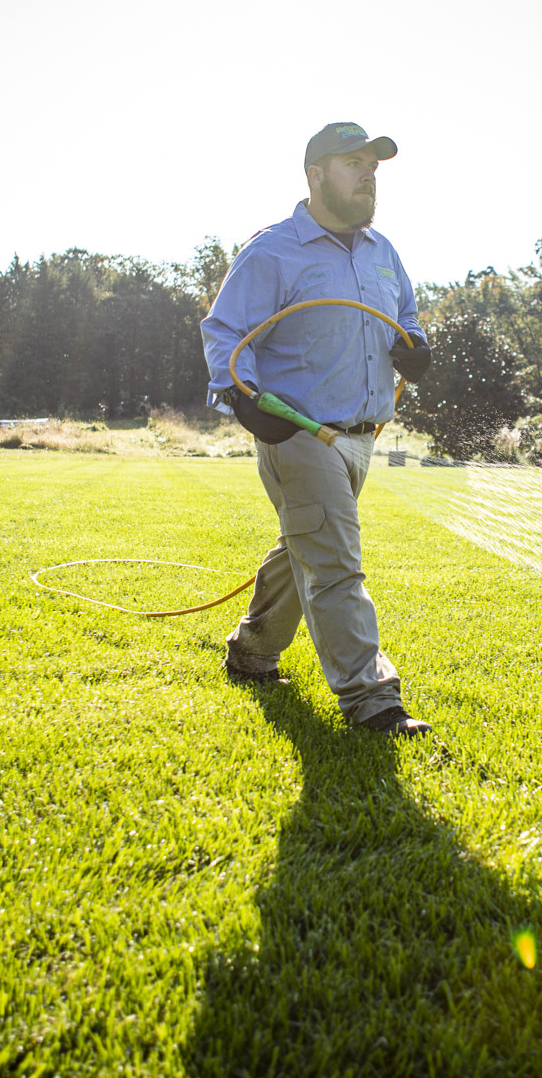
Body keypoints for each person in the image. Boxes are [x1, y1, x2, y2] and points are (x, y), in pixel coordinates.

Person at [200, 122, 434, 737]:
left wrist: (416, 347)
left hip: (361, 436)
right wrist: (242, 398)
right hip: (298, 432)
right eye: (353, 163)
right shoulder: (273, 251)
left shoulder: (383, 252)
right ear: (315, 175)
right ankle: (372, 699)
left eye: (373, 166)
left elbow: (404, 320)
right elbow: (226, 334)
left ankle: (250, 652)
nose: (367, 175)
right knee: (334, 561)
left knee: (304, 545)